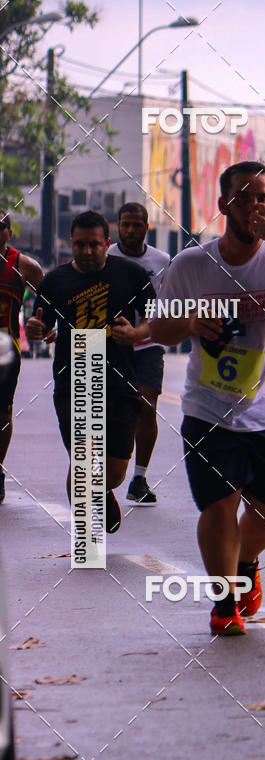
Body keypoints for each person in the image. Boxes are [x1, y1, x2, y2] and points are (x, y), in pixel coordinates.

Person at [149, 161, 265, 636]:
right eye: (244, 197)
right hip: (209, 408)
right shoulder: (191, 265)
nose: (255, 206)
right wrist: (191, 323)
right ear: (223, 204)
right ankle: (224, 601)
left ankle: (246, 561)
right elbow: (160, 328)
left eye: (264, 198)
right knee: (218, 505)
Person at [25, 210, 155, 533]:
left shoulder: (132, 274)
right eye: (79, 245)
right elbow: (41, 325)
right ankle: (87, 539)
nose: (86, 252)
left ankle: (104, 489)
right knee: (84, 462)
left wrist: (137, 334)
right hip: (74, 380)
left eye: (94, 245)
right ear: (71, 243)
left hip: (121, 382)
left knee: (113, 473)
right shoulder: (54, 281)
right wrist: (36, 331)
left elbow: (156, 317)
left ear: (107, 243)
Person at [107, 202, 170, 504]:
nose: (130, 230)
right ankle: (104, 472)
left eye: (137, 225)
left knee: (147, 406)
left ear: (147, 227)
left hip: (148, 343)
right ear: (117, 226)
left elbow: (168, 301)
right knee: (111, 407)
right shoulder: (106, 257)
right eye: (125, 224)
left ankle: (139, 478)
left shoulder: (162, 260)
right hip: (113, 343)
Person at [0, 211, 44, 503]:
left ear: (9, 232)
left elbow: (51, 298)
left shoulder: (24, 266)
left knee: (2, 412)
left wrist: (45, 325)